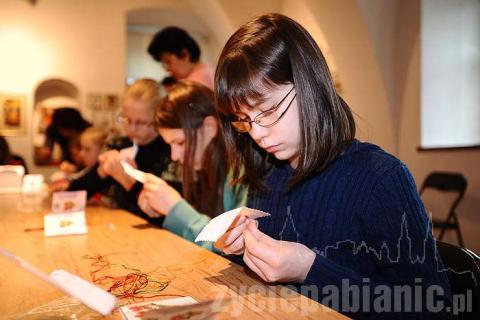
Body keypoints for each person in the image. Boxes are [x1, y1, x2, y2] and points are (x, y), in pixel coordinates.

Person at [213, 13, 452, 318]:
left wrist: (309, 270)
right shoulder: (268, 175)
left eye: (268, 109)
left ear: (310, 85)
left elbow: (435, 308)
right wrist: (241, 252)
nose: (257, 133)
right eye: (244, 120)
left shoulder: (380, 178)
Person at [138, 80, 247, 250]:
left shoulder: (243, 172)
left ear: (210, 127)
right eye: (170, 145)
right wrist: (160, 208)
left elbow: (231, 246)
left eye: (180, 143)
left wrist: (175, 209)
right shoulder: (201, 168)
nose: (174, 156)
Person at [67, 79, 173, 223]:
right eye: (126, 119)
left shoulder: (171, 151)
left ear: (158, 119)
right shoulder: (117, 144)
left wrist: (128, 180)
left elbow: (164, 217)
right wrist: (101, 171)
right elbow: (70, 196)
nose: (132, 128)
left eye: (140, 122)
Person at [147, 27, 214, 89]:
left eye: (168, 62)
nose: (167, 69)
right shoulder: (209, 72)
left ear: (184, 54)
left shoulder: (195, 84)